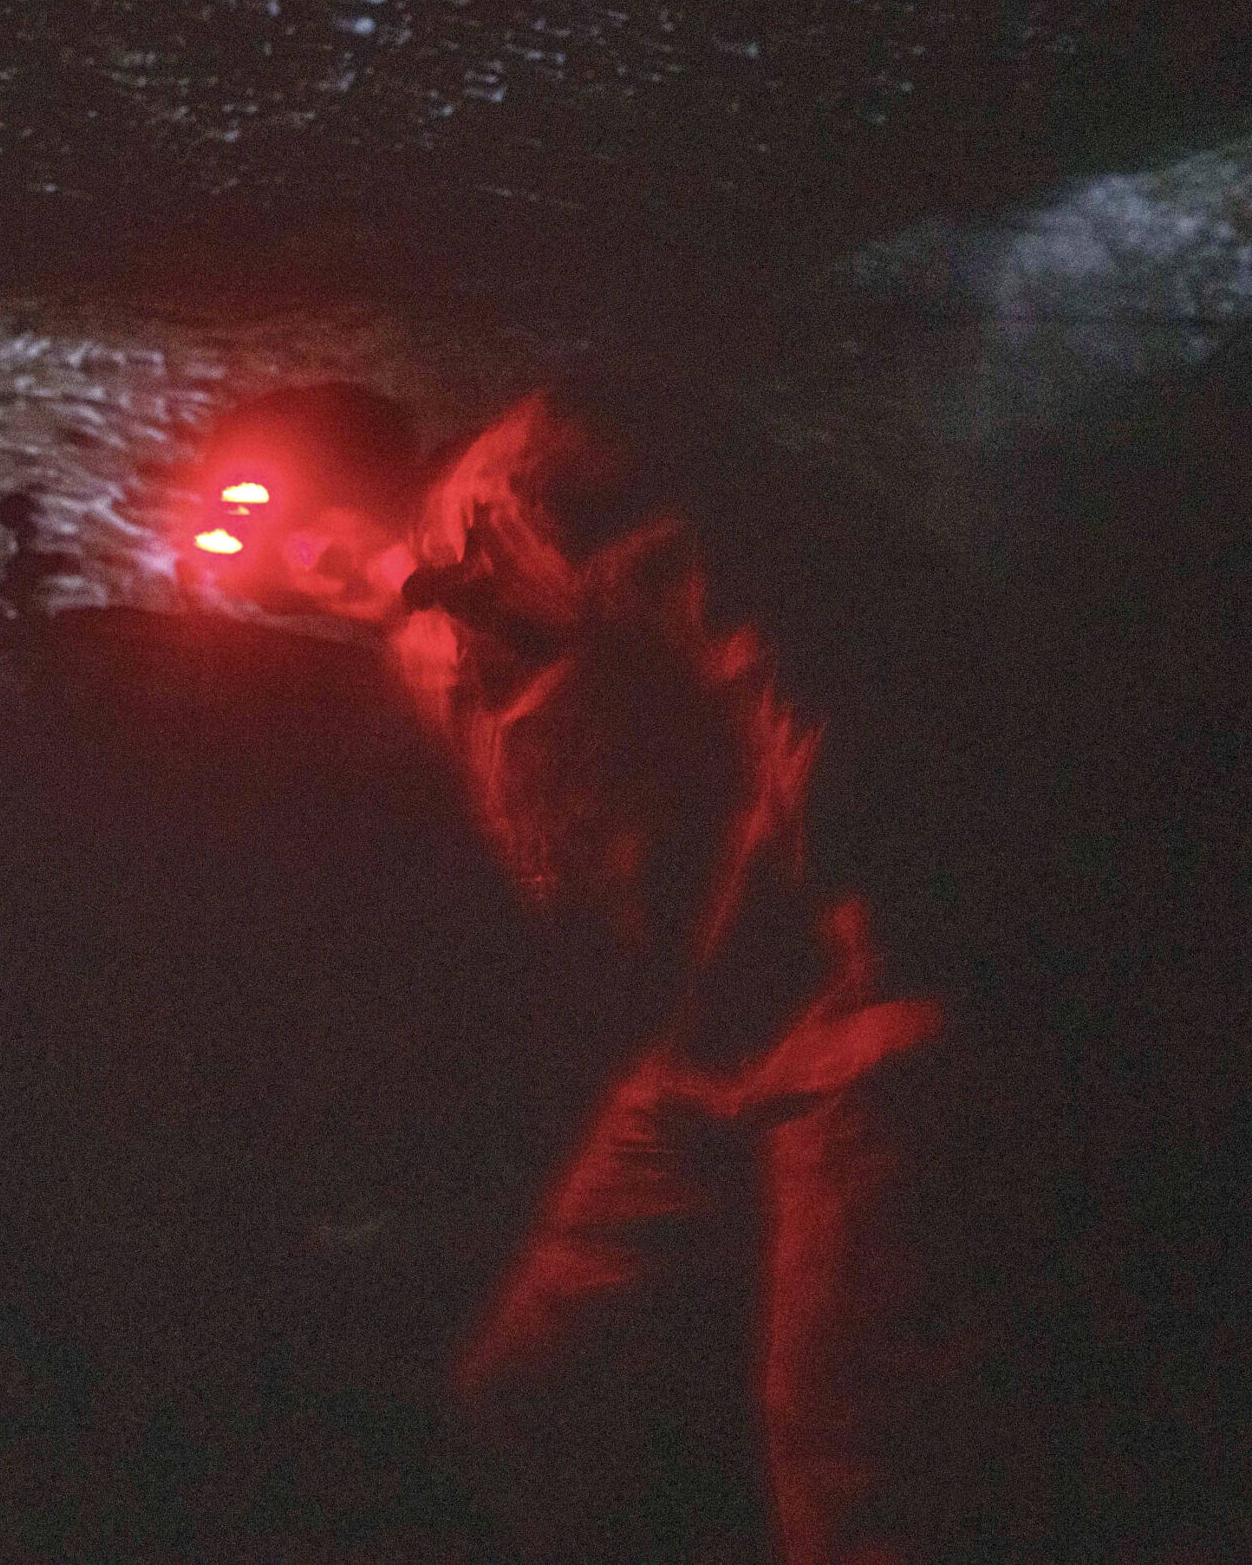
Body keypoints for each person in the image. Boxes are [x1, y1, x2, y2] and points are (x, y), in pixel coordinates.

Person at [383, 400, 978, 1563]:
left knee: (852, 1446)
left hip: (858, 999)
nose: (277, 560)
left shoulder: (531, 479)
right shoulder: (431, 633)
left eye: (279, 516)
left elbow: (785, 645)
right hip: (718, 1030)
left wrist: (873, 917)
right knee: (532, 1387)